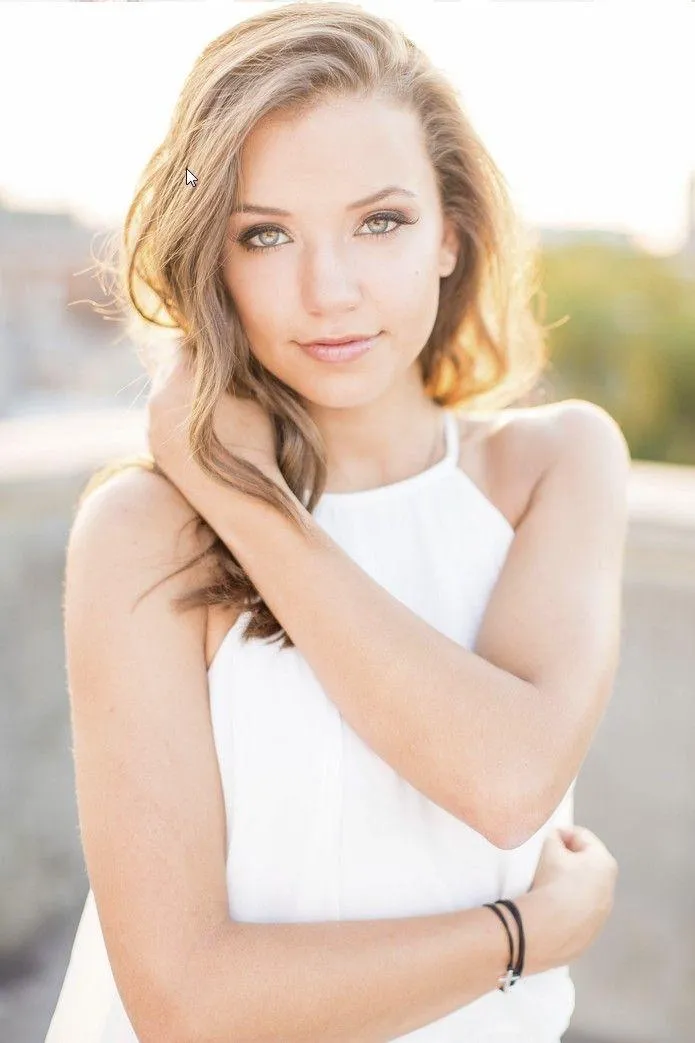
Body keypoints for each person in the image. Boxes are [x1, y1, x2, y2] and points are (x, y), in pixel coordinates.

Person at [45, 3, 630, 1041]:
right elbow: (185, 1002)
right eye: (265, 234)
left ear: (449, 233)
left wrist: (248, 501)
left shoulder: (554, 465)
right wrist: (515, 936)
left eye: (380, 221)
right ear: (214, 261)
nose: (329, 290)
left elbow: (505, 781)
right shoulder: (143, 530)